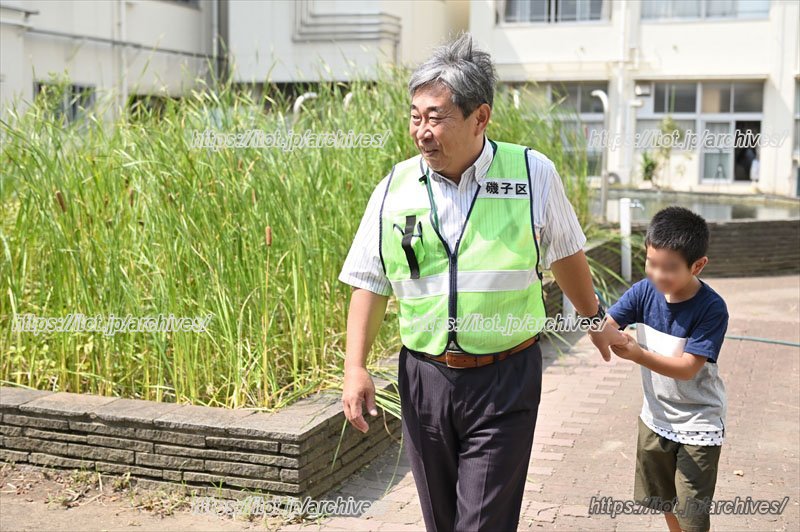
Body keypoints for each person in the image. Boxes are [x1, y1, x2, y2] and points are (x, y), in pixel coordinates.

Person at [339, 32, 626, 531]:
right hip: (423, 378)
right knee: (442, 522)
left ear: (480, 117)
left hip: (504, 378)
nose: (422, 131)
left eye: (436, 117)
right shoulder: (394, 186)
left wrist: (596, 318)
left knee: (483, 524)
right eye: (415, 115)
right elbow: (370, 279)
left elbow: (565, 254)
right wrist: (355, 366)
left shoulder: (532, 173)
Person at [605, 206, 729, 532]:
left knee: (693, 516)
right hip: (655, 418)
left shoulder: (712, 308)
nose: (658, 274)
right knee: (664, 500)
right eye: (652, 263)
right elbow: (607, 324)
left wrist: (637, 354)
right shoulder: (645, 291)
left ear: (698, 265)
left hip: (698, 423)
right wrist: (592, 320)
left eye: (670, 268)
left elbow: (688, 368)